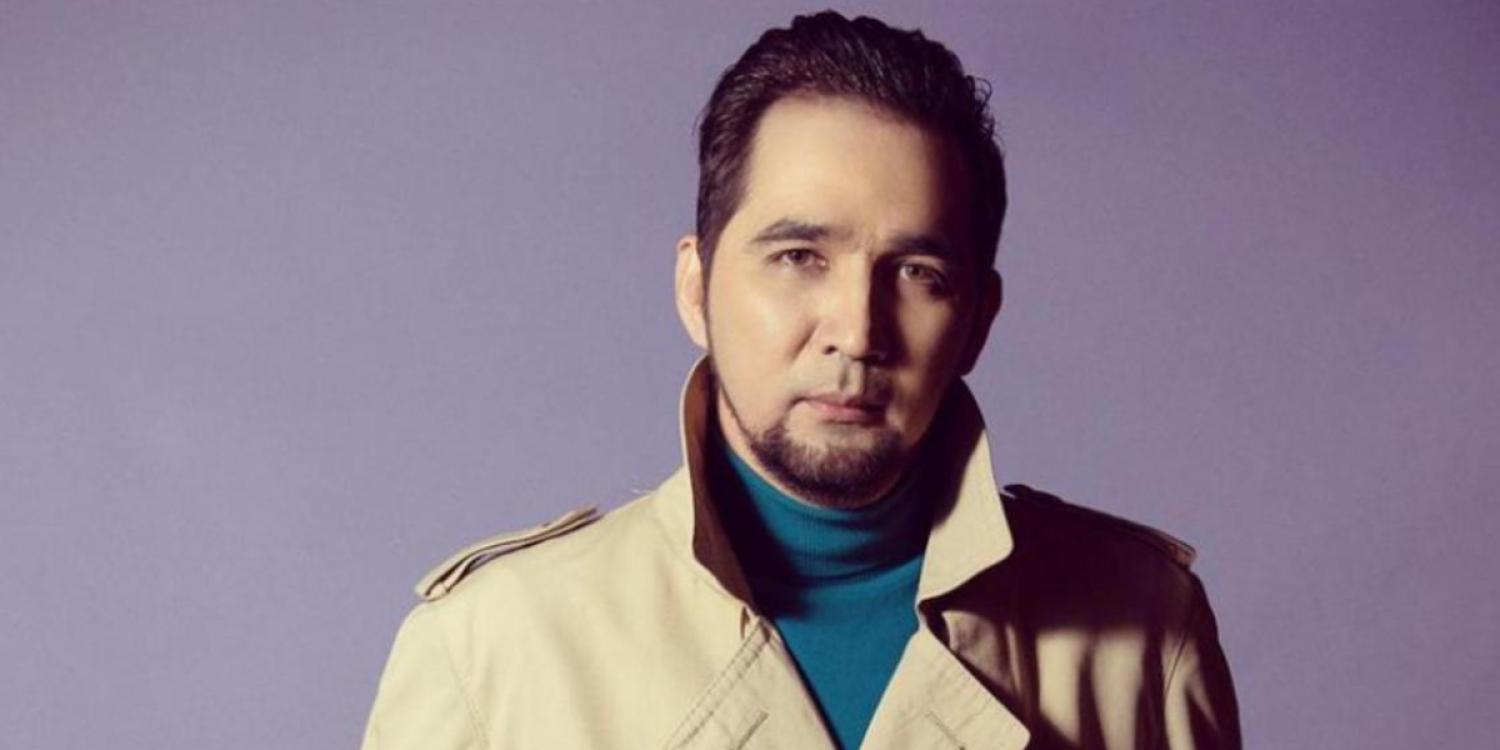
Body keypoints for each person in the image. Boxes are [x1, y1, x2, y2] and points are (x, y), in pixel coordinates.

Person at [360, 10, 1240, 749]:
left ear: (978, 318)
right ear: (697, 287)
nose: (856, 331)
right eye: (798, 257)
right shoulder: (490, 650)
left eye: (918, 273)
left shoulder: (1144, 631)